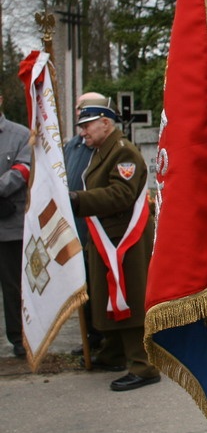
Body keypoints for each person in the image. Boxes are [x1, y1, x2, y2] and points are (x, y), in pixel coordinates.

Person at [68, 95, 160, 391]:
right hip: (107, 236)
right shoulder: (103, 150)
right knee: (109, 296)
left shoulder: (123, 152)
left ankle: (143, 366)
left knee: (128, 299)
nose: (82, 131)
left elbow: (121, 194)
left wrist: (77, 200)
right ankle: (114, 352)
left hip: (124, 240)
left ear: (106, 124)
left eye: (87, 125)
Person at [63, 91, 105, 353]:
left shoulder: (104, 146)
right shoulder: (72, 146)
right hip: (76, 225)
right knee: (82, 282)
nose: (80, 114)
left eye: (85, 109)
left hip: (98, 225)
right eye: (78, 109)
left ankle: (104, 337)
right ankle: (90, 335)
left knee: (100, 284)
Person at [0, 93, 31, 358]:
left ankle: (19, 338)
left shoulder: (20, 135)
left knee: (13, 288)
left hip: (9, 228)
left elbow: (23, 170)